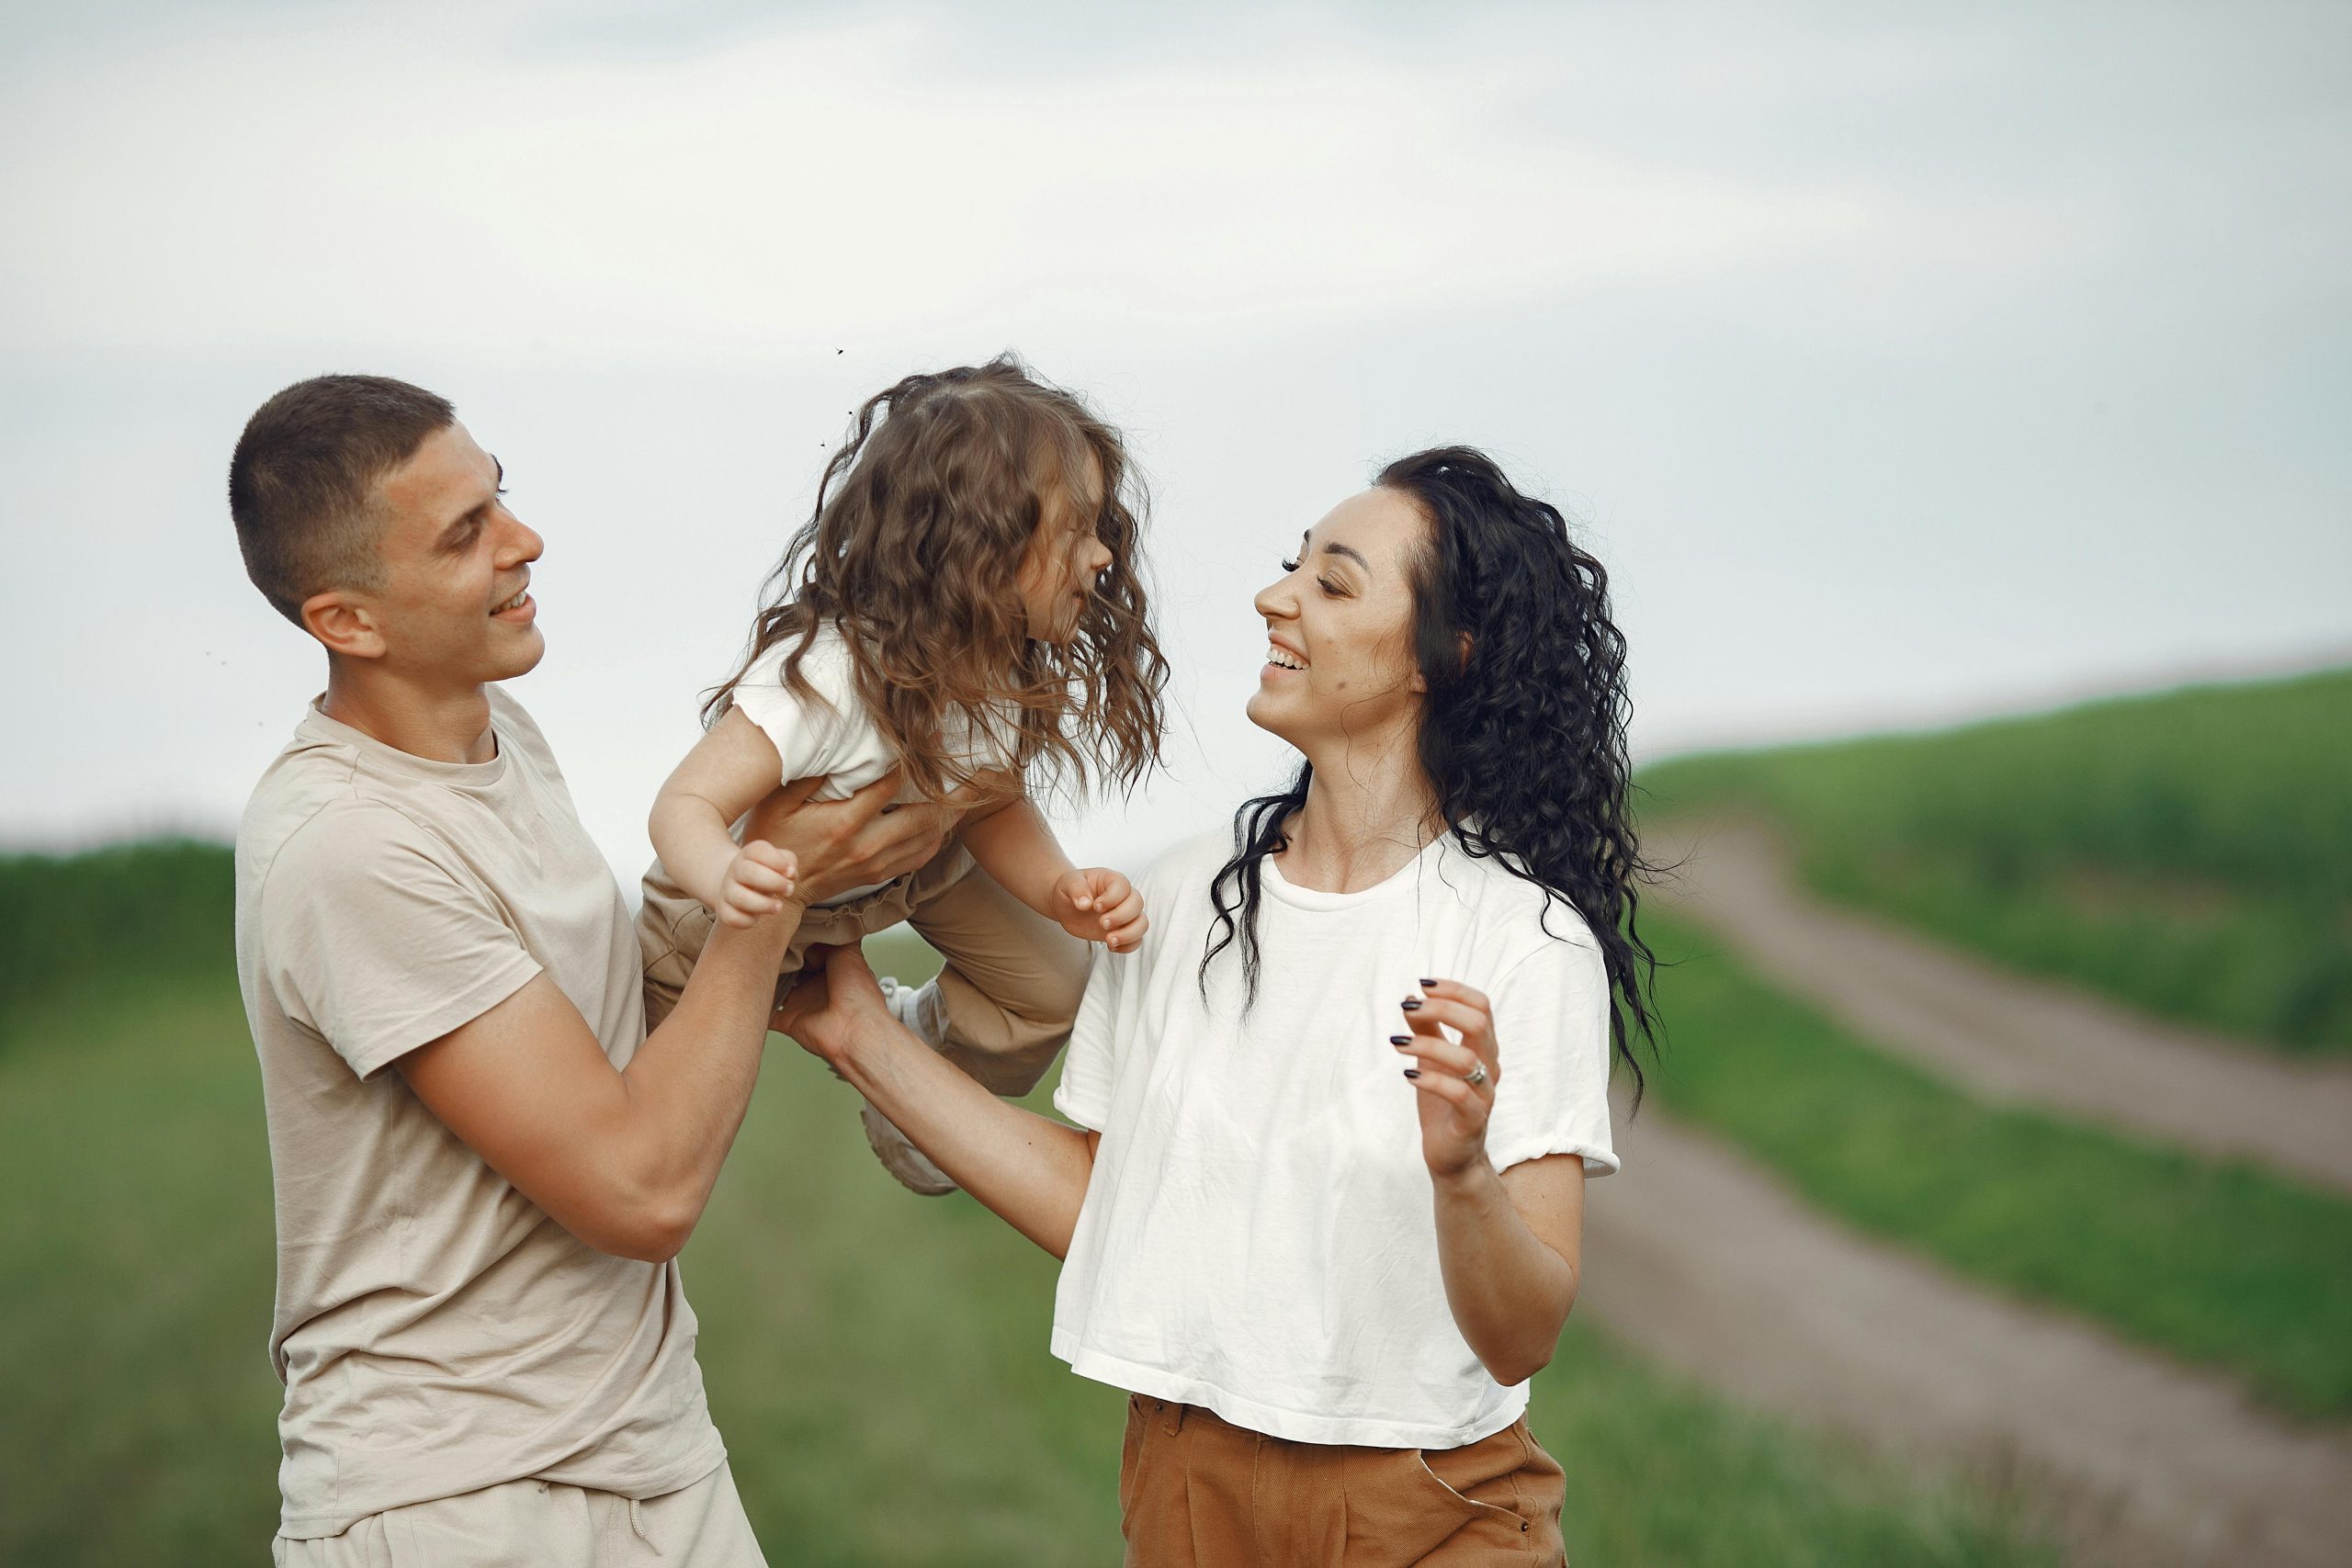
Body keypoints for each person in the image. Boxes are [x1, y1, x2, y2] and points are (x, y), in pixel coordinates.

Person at [774, 446, 1660, 1565]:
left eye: (1332, 584)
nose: (1274, 597)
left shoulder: (1521, 945)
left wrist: (1463, 1174)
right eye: (1292, 568)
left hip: (1436, 1509)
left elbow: (1521, 1332)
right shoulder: (1179, 899)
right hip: (1189, 1494)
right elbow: (1109, 1212)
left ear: (1444, 655)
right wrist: (852, 1026)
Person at [228, 374, 958, 1565]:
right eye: (467, 533)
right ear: (347, 622)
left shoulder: (505, 735)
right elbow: (639, 1189)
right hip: (459, 1498)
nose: (526, 540)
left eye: (500, 498)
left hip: (654, 1444)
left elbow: (621, 1029)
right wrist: (764, 894)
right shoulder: (349, 846)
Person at [639, 356, 1167, 1194]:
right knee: (657, 1119)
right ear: (982, 541)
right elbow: (685, 803)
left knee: (1058, 983)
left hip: (905, 866)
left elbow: (990, 803)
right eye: (1078, 529)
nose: (1103, 554)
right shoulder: (829, 672)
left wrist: (1061, 888)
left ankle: (910, 1067)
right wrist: (731, 875)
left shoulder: (997, 666)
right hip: (727, 911)